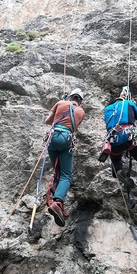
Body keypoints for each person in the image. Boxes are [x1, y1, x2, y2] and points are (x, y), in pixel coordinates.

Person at [45, 88, 85, 226]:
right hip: (66, 139)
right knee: (66, 175)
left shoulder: (60, 103)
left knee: (57, 171)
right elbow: (74, 128)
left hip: (51, 139)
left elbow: (47, 121)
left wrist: (60, 108)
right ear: (79, 100)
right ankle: (58, 202)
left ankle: (57, 202)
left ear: (71, 97)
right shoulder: (80, 111)